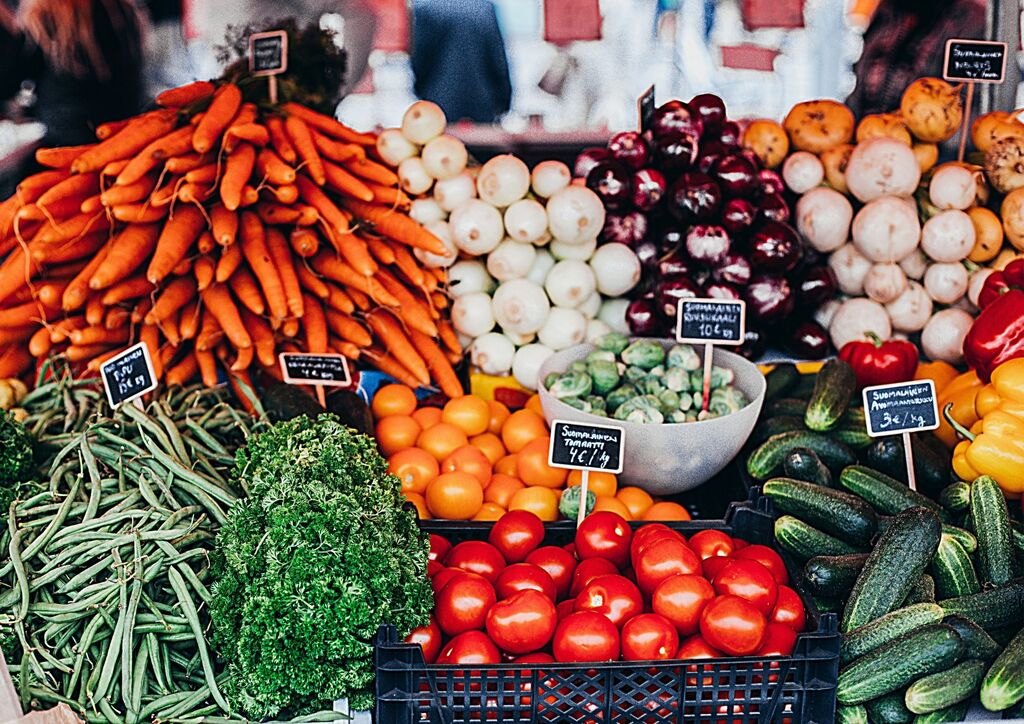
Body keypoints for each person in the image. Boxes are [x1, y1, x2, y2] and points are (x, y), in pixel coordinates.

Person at [0, 0, 146, 147]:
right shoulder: (121, 9)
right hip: (128, 131)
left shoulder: (45, 16)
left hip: (69, 140)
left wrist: (10, 25)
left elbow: (8, 83)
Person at [846, 0, 985, 117]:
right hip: (865, 142)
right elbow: (857, 92)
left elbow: (973, 114)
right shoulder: (887, 12)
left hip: (932, 146)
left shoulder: (972, 22)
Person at [411, 0, 512, 124]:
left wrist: (421, 92)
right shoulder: (486, 8)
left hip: (437, 105)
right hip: (482, 105)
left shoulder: (425, 9)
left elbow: (419, 60)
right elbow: (498, 62)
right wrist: (503, 102)